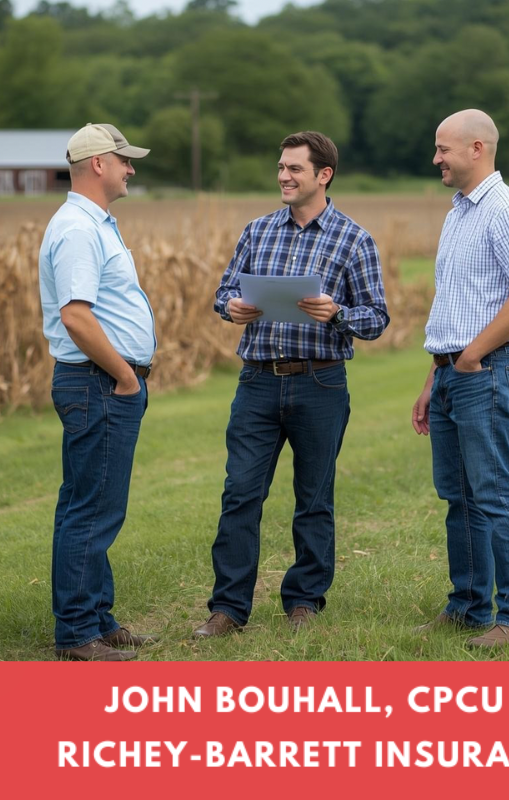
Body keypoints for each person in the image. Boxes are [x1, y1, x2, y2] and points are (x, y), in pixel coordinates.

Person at [194, 131, 389, 637]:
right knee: (240, 494)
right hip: (257, 382)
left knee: (314, 496)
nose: (283, 176)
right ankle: (228, 609)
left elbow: (376, 319)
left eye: (294, 169)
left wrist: (337, 313)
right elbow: (223, 294)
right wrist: (232, 307)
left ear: (323, 175)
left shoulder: (354, 239)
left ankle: (304, 601)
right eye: (281, 167)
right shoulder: (257, 232)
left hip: (320, 385)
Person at [411, 109, 509, 648]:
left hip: (485, 371)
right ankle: (467, 606)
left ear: (476, 149)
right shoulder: (460, 213)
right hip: (450, 374)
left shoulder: (507, 211)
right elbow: (456, 306)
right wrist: (434, 378)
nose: (436, 158)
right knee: (459, 496)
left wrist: (470, 358)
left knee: (495, 495)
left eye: (444, 148)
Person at [39, 123, 158, 661]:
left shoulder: (93, 224)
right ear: (98, 165)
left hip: (98, 383)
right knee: (92, 509)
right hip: (99, 383)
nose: (131, 169)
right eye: (124, 160)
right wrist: (126, 376)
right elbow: (76, 318)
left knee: (91, 503)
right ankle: (78, 634)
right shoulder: (79, 229)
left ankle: (97, 616)